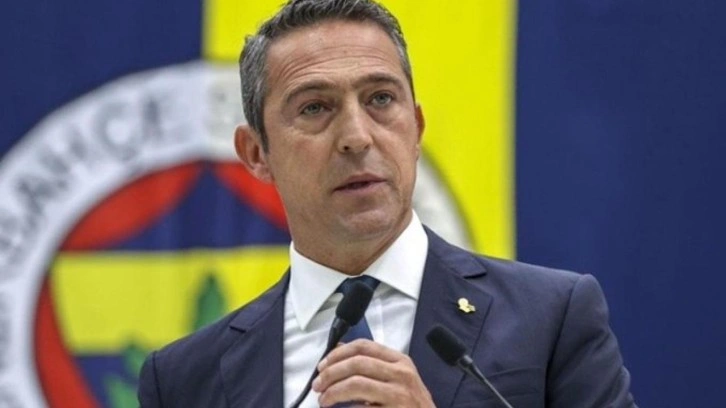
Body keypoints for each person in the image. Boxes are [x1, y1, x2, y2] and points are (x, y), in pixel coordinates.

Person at [138, 0, 636, 406]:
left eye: (380, 99)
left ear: (415, 128)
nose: (356, 137)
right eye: (315, 107)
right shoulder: (184, 378)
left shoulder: (551, 320)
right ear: (256, 153)